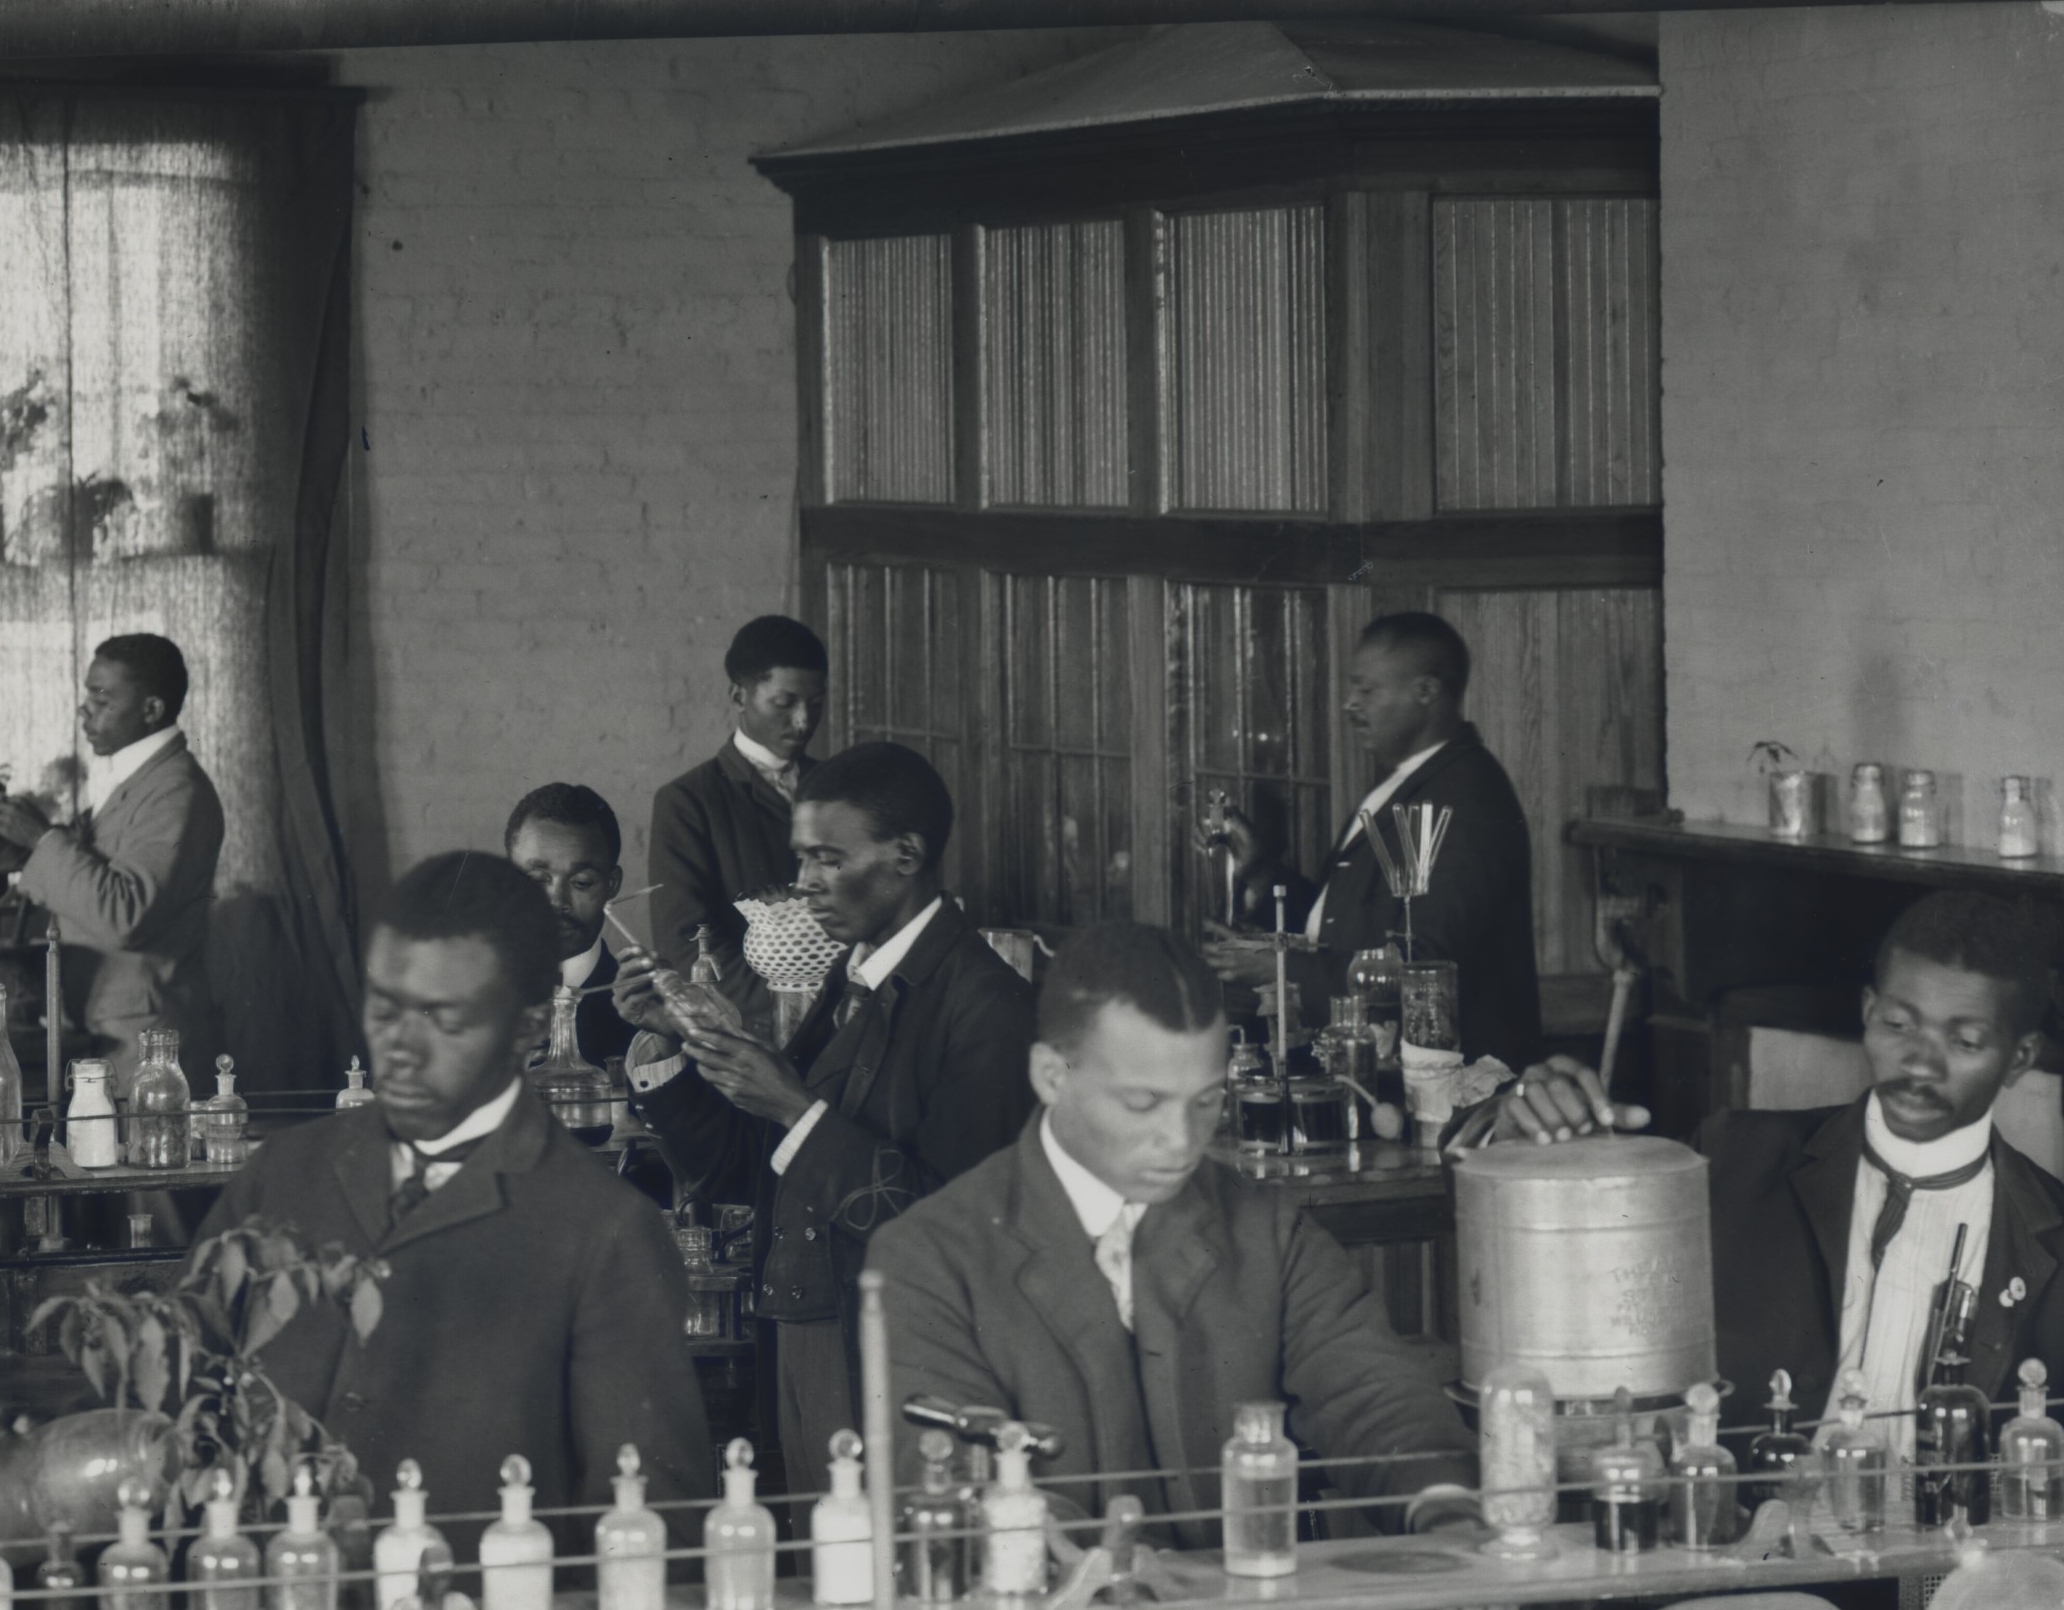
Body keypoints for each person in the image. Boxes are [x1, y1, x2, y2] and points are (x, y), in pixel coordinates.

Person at [199, 853, 714, 1610]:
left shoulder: (599, 1232)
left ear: (523, 1030)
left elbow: (645, 1536)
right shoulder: (279, 1175)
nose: (398, 1045)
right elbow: (177, 1405)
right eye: (385, 1006)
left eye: (443, 1020)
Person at [1483, 886, 2064, 1449]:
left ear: (2018, 1058)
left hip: (1947, 1592)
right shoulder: (1728, 1160)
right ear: (1867, 1014)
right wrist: (1530, 1130)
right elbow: (1578, 1272)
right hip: (1744, 1569)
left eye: (1964, 1041)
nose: (1919, 1063)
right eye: (1898, 1025)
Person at [872, 921, 1477, 1538]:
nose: (1183, 1141)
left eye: (1207, 1101)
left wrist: (1443, 1506)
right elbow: (949, 1484)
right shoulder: (926, 1257)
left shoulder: (1263, 1229)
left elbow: (1372, 1395)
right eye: (1143, 1103)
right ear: (1051, 1075)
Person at [640, 739, 1036, 1485]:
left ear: (906, 855)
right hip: (806, 1336)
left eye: (825, 858)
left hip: (894, 1355)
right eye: (800, 858)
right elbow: (745, 1170)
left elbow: (954, 1229)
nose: (803, 883)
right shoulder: (856, 978)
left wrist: (793, 1107)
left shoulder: (986, 1008)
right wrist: (678, 1046)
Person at [0, 633, 223, 1092]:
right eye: (87, 694)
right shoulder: (138, 780)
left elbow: (125, 913)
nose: (85, 710)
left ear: (151, 709)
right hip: (108, 1029)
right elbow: (67, 869)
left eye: (102, 697)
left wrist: (42, 837)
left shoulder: (176, 792)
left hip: (146, 1046)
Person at [1310, 611, 1550, 1072]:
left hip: (1453, 1085)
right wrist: (1261, 871)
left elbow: (1423, 961)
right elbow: (1351, 911)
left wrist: (1286, 973)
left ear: (1425, 692)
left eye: (1367, 690)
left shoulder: (1467, 800)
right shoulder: (1414, 781)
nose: (1349, 704)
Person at [642, 614, 827, 984]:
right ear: (739, 696)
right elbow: (687, 946)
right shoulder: (687, 802)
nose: (803, 721)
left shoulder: (837, 788)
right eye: (784, 702)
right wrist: (793, 1005)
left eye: (816, 702)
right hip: (748, 1020)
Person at [502, 783, 638, 1083]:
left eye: (582, 883)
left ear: (611, 885)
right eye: (538, 880)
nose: (557, 902)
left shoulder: (643, 1017)